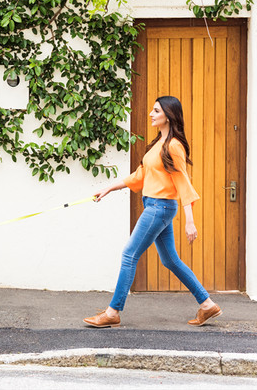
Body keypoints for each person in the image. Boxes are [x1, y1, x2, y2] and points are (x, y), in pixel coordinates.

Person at [85, 96, 221, 328]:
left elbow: (183, 183)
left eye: (156, 110)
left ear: (168, 115)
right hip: (156, 206)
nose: (151, 113)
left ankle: (112, 312)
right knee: (170, 260)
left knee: (129, 255)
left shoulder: (173, 146)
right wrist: (109, 188)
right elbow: (139, 176)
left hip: (160, 207)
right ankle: (207, 305)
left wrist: (190, 221)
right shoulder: (158, 143)